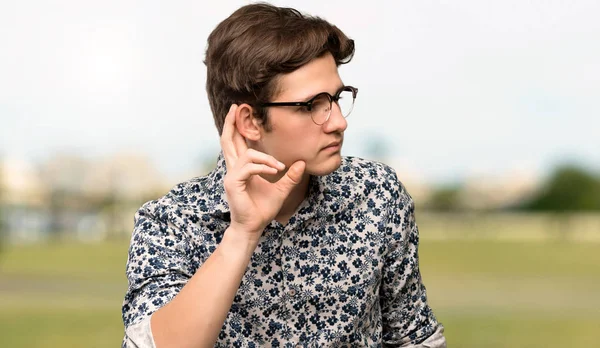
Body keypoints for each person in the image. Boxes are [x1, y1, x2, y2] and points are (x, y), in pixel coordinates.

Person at [122, 3, 446, 347]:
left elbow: (414, 338)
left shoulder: (376, 194)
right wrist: (242, 234)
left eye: (337, 98)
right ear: (249, 121)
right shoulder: (172, 222)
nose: (339, 122)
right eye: (312, 105)